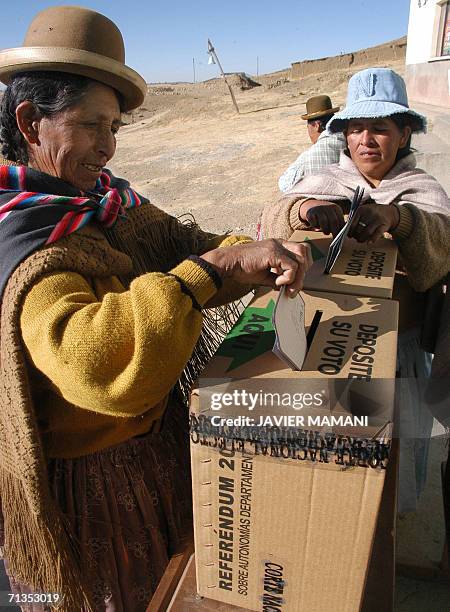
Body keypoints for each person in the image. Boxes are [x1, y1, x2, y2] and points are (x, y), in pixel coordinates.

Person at [0, 7, 311, 611]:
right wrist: (212, 273)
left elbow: (193, 252)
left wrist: (258, 250)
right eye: (92, 125)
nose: (108, 146)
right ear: (32, 122)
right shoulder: (27, 239)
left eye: (115, 126)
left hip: (155, 454)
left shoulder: (110, 204)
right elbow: (95, 360)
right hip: (96, 489)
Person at [262, 67, 450, 512]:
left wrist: (399, 219)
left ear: (404, 134)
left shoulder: (420, 188)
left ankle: (383, 528)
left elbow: (443, 246)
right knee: (339, 444)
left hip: (395, 349)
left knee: (391, 449)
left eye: (380, 129)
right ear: (343, 137)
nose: (366, 140)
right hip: (331, 346)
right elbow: (271, 218)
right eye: (356, 128)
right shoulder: (325, 180)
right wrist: (306, 209)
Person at [278, 94, 346, 192]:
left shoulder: (310, 156)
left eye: (308, 127)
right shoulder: (348, 138)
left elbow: (284, 185)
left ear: (316, 126)